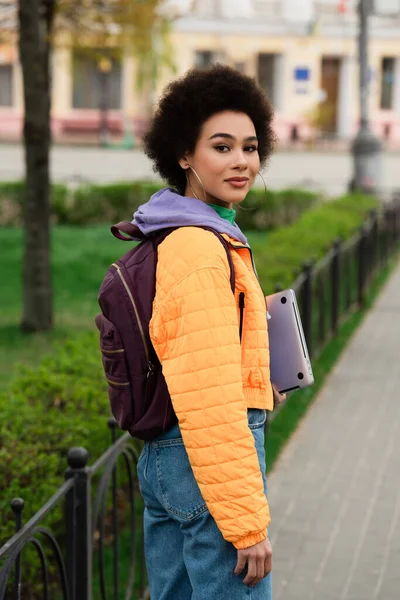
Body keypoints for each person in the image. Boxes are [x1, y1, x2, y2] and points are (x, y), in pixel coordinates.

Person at [135, 64, 285, 600]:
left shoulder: (180, 230)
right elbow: (210, 399)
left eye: (249, 147)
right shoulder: (199, 248)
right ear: (183, 154)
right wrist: (246, 525)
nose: (242, 161)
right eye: (222, 147)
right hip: (208, 469)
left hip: (174, 461)